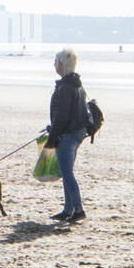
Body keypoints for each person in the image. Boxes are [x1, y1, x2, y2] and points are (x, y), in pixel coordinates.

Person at [45, 48, 89, 222]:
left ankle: (78, 209)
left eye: (56, 62)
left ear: (62, 64)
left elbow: (62, 117)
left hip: (67, 135)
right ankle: (68, 209)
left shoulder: (65, 87)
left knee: (67, 173)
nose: (54, 65)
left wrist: (52, 138)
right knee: (66, 172)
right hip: (76, 133)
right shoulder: (77, 84)